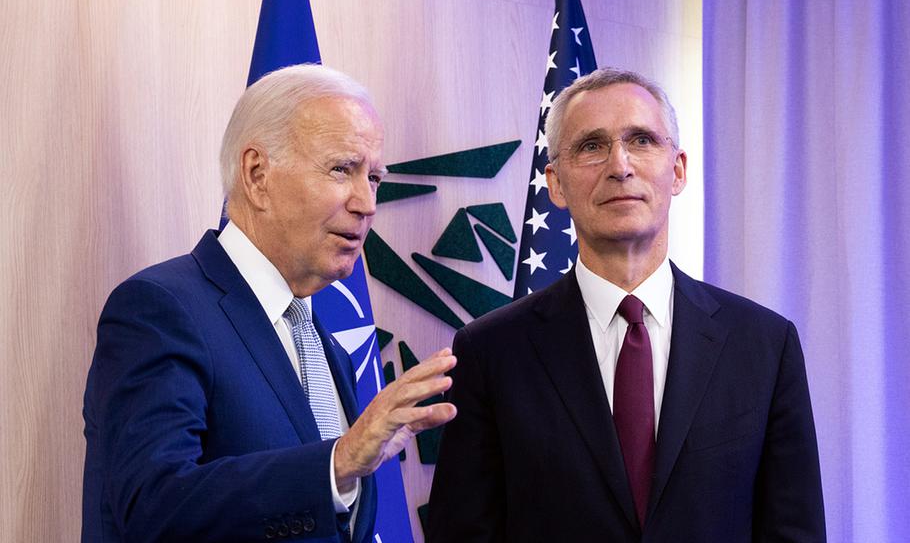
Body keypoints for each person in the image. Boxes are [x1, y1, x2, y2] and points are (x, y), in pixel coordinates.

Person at [428, 68, 825, 542]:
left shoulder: (764, 345)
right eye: (591, 146)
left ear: (677, 170)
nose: (620, 165)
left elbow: (793, 532)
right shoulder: (490, 351)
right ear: (555, 184)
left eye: (641, 140)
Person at [82, 64, 457, 543]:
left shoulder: (327, 346)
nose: (367, 203)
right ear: (257, 174)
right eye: (342, 169)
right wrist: (338, 462)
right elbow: (151, 506)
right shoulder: (160, 309)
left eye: (375, 178)